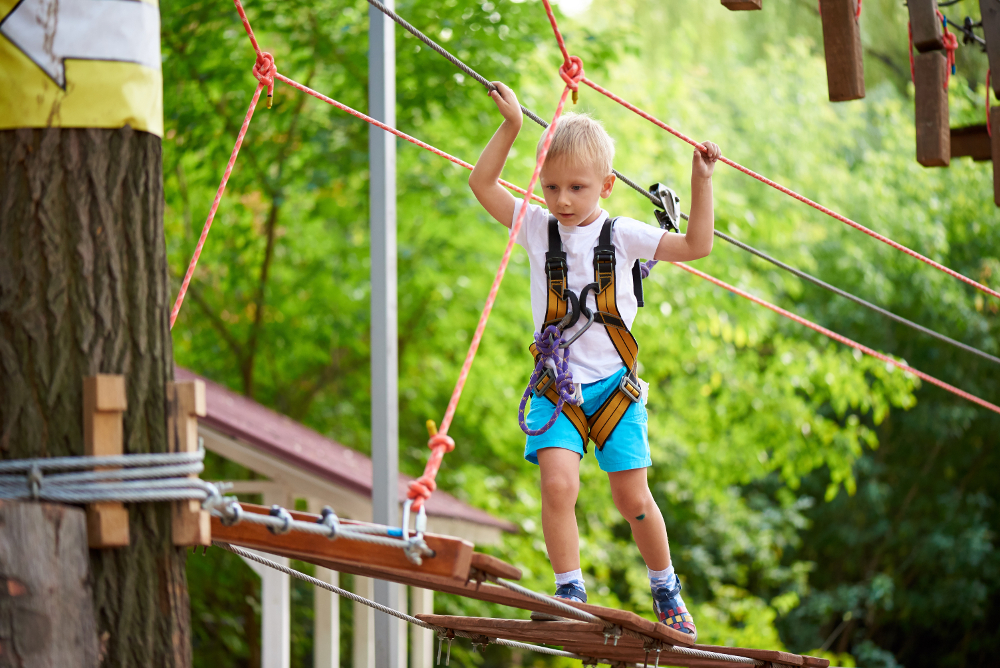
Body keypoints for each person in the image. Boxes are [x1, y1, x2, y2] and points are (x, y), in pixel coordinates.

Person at [468, 82, 721, 637]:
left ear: (606, 186)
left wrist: (702, 180)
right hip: (557, 387)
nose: (561, 200)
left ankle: (665, 584)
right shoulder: (536, 227)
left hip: (614, 390)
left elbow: (697, 245)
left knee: (632, 498)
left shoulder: (623, 234)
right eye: (551, 186)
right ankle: (569, 588)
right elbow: (481, 184)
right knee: (558, 487)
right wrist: (511, 127)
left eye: (577, 188)